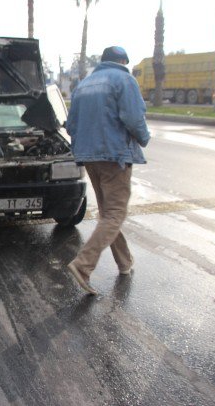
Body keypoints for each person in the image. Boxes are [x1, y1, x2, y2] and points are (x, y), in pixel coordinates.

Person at [65, 46, 150, 295]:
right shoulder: (124, 79)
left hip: (89, 157)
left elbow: (71, 125)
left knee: (108, 214)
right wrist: (144, 138)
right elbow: (134, 118)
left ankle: (124, 262)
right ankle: (83, 265)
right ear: (123, 61)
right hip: (115, 156)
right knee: (114, 214)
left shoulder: (84, 84)